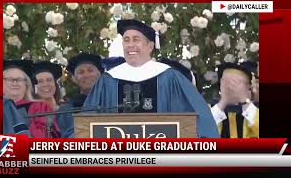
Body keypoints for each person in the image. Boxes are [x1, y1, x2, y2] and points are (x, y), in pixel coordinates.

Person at [83, 19, 219, 138]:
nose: (130, 45)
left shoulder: (170, 77)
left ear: (150, 46)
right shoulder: (108, 80)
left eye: (136, 39)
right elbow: (85, 125)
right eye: (126, 40)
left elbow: (198, 120)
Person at [3, 59, 60, 138]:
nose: (14, 83)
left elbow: (45, 136)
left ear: (26, 85)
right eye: (9, 79)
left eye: (19, 79)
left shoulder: (39, 107)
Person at [211, 61, 259, 138]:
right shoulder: (210, 108)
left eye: (237, 83)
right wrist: (223, 102)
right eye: (227, 83)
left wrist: (244, 101)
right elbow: (199, 132)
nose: (232, 88)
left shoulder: (255, 110)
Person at [33, 61, 73, 138]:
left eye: (49, 80)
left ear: (55, 84)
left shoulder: (68, 111)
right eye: (40, 81)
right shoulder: (30, 114)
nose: (45, 84)